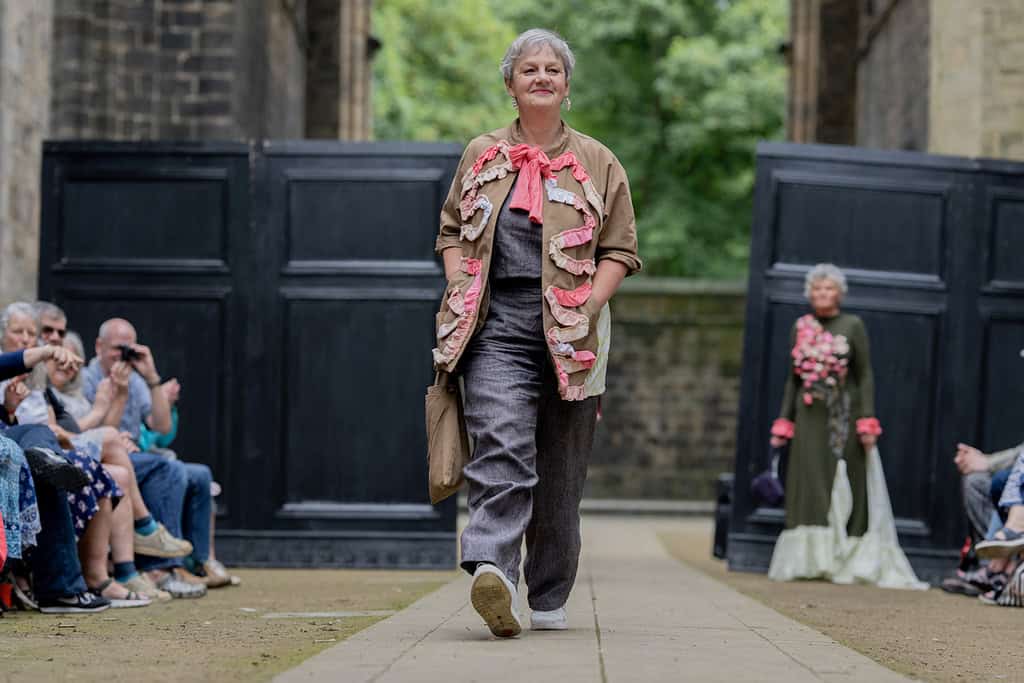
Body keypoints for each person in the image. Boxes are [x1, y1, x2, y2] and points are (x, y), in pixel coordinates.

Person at [432, 28, 641, 637]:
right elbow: (451, 230)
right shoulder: (480, 153)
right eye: (529, 69)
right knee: (500, 440)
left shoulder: (599, 161)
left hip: (573, 331)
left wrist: (590, 305)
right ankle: (492, 568)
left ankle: (549, 592)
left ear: (567, 86)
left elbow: (621, 248)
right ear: (510, 84)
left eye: (553, 69)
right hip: (495, 321)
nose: (542, 77)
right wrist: (457, 284)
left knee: (561, 471)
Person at [766, 264, 925, 589]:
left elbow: (864, 374)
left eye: (828, 289)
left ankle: (845, 556)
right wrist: (785, 420)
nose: (822, 294)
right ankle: (811, 561)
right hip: (809, 415)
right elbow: (792, 380)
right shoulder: (801, 326)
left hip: (845, 414)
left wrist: (867, 418)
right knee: (809, 482)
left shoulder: (853, 325)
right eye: (817, 289)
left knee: (846, 480)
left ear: (839, 293)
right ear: (810, 293)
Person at [82, 318, 224, 596]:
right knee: (168, 469)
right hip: (109, 454)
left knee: (200, 474)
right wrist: (119, 398)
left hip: (137, 454)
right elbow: (95, 434)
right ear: (99, 346)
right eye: (117, 349)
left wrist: (151, 377)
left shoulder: (135, 379)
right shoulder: (89, 379)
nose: (123, 357)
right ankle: (160, 568)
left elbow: (162, 426)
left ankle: (199, 562)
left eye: (129, 350)